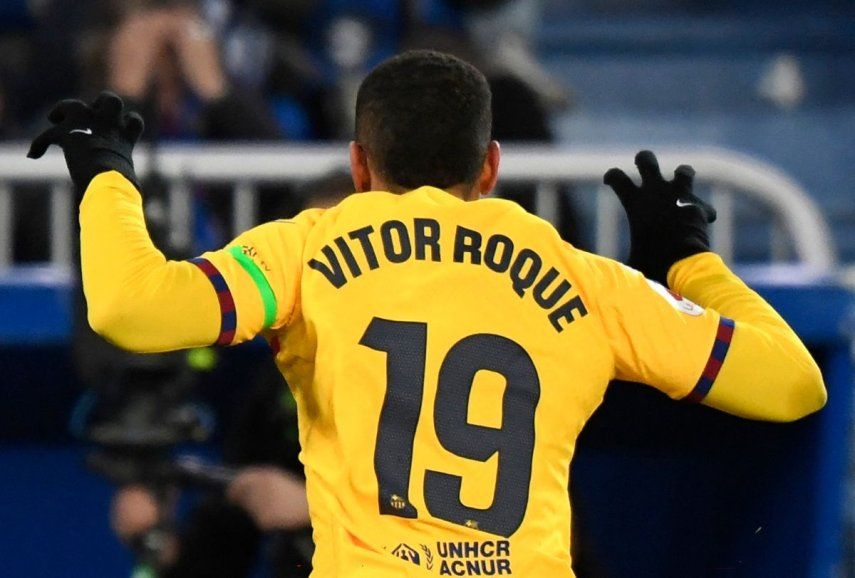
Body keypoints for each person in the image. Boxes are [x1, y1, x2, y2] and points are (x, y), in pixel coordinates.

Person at [28, 50, 826, 577]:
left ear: (359, 164)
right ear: (490, 166)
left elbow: (132, 310)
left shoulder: (306, 252)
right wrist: (687, 256)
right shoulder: (583, 281)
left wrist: (105, 175)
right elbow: (792, 386)